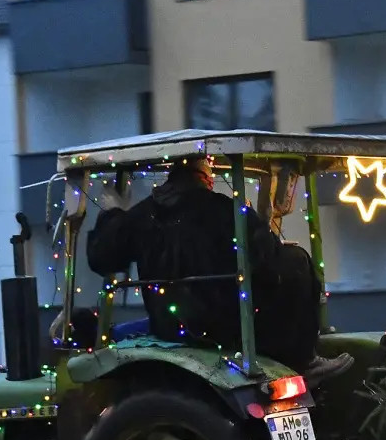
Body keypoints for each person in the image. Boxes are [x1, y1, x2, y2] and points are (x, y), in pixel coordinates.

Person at [84, 155, 352, 385]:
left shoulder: (142, 216)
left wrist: (113, 213)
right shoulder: (226, 212)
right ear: (206, 176)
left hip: (168, 325)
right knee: (296, 261)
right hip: (224, 327)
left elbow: (100, 256)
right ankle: (303, 360)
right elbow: (267, 261)